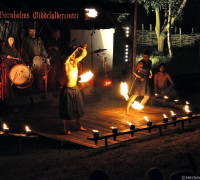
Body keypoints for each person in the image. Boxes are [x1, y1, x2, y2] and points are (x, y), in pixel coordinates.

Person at [59, 44, 87, 135]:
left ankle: (78, 125)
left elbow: (83, 55)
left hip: (75, 89)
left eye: (74, 55)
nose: (74, 56)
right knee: (66, 110)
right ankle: (65, 128)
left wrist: (83, 49)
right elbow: (67, 58)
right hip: (68, 90)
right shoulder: (66, 65)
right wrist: (74, 50)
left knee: (78, 108)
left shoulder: (75, 63)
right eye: (72, 55)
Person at [21, 25, 48, 92]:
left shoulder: (38, 39)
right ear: (28, 32)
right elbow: (24, 51)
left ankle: (40, 92)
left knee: (40, 77)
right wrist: (26, 60)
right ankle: (31, 92)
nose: (32, 32)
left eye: (33, 31)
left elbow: (43, 49)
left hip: (39, 62)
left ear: (35, 32)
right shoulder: (26, 40)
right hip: (30, 61)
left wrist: (46, 57)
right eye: (31, 31)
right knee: (31, 77)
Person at [126, 49, 152, 113]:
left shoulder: (149, 62)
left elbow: (150, 69)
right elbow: (134, 71)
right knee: (134, 95)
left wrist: (151, 74)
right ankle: (127, 109)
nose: (145, 58)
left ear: (149, 56)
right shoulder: (141, 63)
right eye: (144, 57)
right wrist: (140, 77)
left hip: (146, 81)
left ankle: (139, 108)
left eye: (146, 57)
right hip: (139, 81)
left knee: (147, 96)